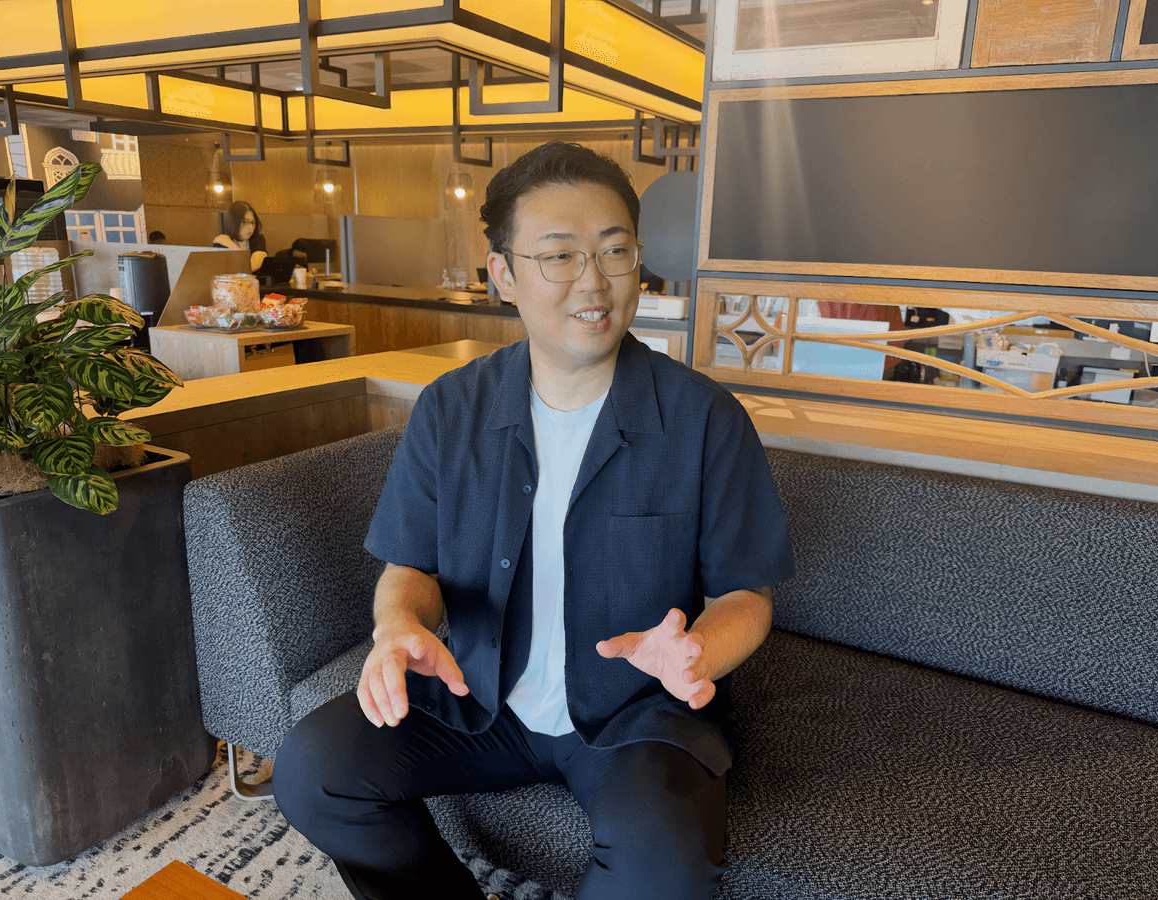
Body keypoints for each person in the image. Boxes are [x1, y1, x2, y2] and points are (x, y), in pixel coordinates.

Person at [273, 141, 795, 900]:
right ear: (504, 275)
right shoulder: (451, 410)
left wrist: (697, 654)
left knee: (664, 864)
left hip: (633, 715)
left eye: (615, 252)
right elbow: (408, 569)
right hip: (477, 692)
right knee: (314, 768)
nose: (594, 280)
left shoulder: (704, 418)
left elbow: (747, 597)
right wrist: (399, 629)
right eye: (559, 256)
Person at [213, 200, 266, 272]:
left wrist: (232, 245)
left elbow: (252, 266)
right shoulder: (221, 242)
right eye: (245, 222)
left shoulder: (258, 239)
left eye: (253, 222)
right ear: (234, 222)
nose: (251, 227)